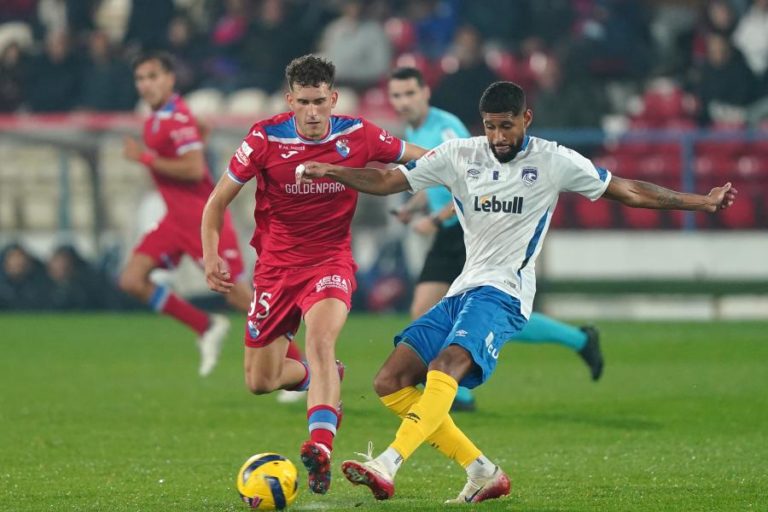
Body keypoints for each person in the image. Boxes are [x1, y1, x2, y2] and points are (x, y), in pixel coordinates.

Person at [297, 81, 737, 503]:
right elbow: (389, 180)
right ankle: (482, 471)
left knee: (446, 364)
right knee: (390, 381)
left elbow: (629, 190)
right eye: (490, 125)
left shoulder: (554, 160)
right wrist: (334, 171)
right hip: (463, 288)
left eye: (506, 125)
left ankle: (389, 463)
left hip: (505, 293)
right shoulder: (458, 155)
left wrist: (700, 201)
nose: (498, 135)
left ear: (526, 118)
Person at [200, 54, 426, 495]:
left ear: (333, 98)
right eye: (303, 102)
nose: (312, 112)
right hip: (275, 270)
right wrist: (212, 256)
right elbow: (216, 203)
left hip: (330, 262)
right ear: (290, 100)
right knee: (260, 381)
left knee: (320, 340)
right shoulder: (264, 139)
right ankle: (323, 378)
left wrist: (470, 167)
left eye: (320, 101)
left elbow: (422, 158)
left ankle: (321, 446)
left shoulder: (358, 135)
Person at [387, 67, 604, 414]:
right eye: (396, 95)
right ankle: (578, 339)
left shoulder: (445, 129)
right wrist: (415, 207)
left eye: (409, 93)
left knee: (477, 308)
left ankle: (459, 394)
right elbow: (438, 181)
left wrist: (436, 218)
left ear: (425, 92)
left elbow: (470, 183)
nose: (402, 102)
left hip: (469, 229)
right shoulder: (416, 130)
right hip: (449, 230)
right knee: (476, 312)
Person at [120, 51, 252, 377]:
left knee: (237, 296)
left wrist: (145, 158)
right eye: (140, 78)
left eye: (153, 77)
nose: (146, 85)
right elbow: (191, 152)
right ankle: (205, 326)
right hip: (175, 219)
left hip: (200, 218)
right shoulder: (158, 119)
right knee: (133, 279)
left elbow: (194, 169)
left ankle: (305, 366)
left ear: (170, 79)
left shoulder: (175, 117)